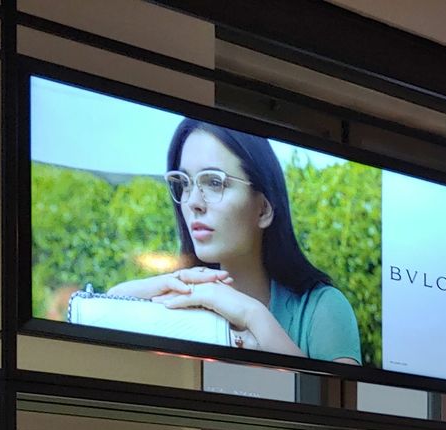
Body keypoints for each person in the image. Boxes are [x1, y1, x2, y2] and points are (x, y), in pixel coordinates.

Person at [108, 118, 361, 363]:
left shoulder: (321, 308)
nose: (193, 202)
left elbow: (337, 391)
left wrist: (254, 316)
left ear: (263, 209)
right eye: (184, 184)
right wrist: (126, 294)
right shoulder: (178, 304)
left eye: (214, 182)